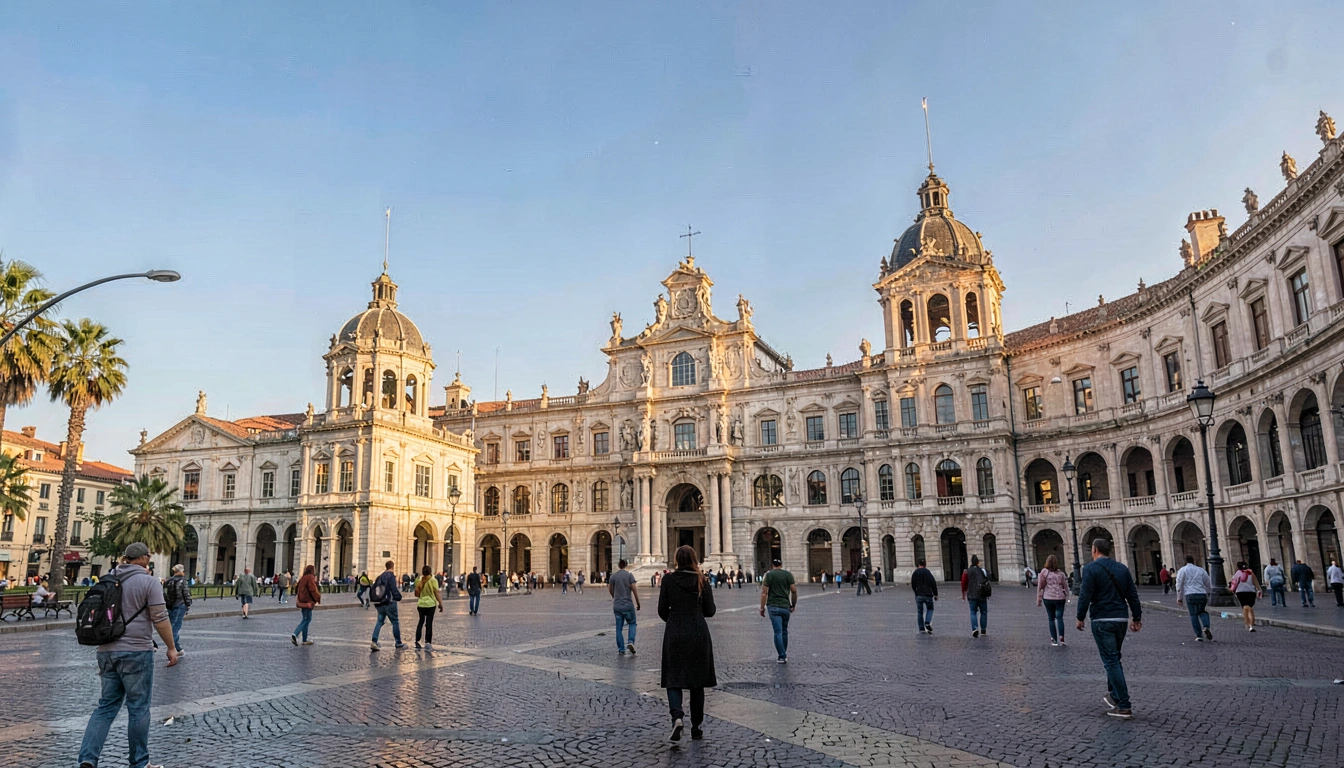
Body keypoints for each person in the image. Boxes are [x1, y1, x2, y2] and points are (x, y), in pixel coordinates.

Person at [77, 543, 179, 768]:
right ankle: (140, 763)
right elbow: (160, 618)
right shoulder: (149, 582)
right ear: (143, 559)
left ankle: (87, 758)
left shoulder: (107, 579)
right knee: (138, 708)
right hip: (136, 651)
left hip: (106, 651)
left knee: (105, 707)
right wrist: (171, 647)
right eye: (148, 556)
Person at [1075, 538, 1142, 720]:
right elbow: (1132, 595)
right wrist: (1136, 617)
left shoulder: (1090, 569)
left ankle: (1124, 705)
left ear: (1094, 549)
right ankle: (1114, 696)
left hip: (1102, 619)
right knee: (1115, 658)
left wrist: (1080, 617)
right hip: (1120, 618)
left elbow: (1085, 595)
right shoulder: (1122, 568)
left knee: (1111, 660)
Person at [659, 545, 717, 742]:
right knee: (697, 681)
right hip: (698, 631)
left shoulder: (667, 579)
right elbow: (710, 610)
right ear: (694, 559)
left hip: (675, 630)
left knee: (673, 677)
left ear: (676, 560)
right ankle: (696, 727)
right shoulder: (702, 579)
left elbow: (661, 610)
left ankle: (677, 717)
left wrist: (674, 619)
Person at [760, 558, 796, 663]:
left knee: (778, 632)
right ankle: (783, 653)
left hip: (773, 606)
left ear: (772, 565)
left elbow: (764, 593)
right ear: (781, 564)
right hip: (785, 606)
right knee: (784, 631)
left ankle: (781, 656)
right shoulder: (788, 575)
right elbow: (793, 590)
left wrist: (762, 607)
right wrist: (793, 604)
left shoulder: (769, 575)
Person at [1174, 554, 1213, 642]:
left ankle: (1199, 635)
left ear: (1185, 561)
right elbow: (1207, 582)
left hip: (1190, 594)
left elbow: (1179, 584)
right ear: (1193, 560)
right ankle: (1206, 626)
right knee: (1202, 611)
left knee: (1193, 615)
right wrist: (1208, 592)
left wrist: (1179, 598)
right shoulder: (1200, 570)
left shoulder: (1182, 570)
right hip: (1201, 593)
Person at [370, 560, 406, 651]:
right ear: (393, 567)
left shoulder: (380, 576)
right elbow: (393, 589)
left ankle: (374, 641)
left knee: (379, 621)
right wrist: (398, 596)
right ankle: (398, 642)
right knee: (395, 621)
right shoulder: (391, 576)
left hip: (380, 602)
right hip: (389, 602)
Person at [609, 558, 640, 654]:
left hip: (617, 605)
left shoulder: (613, 576)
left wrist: (615, 597)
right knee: (632, 623)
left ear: (619, 565)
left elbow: (610, 589)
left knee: (619, 627)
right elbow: (634, 589)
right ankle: (630, 641)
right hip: (628, 604)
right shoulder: (629, 575)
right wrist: (638, 603)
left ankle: (621, 649)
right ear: (626, 565)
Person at [1036, 555, 1069, 646]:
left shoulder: (1044, 572)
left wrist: (1038, 599)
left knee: (1051, 619)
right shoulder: (1061, 574)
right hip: (1060, 598)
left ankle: (1054, 639)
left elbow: (1040, 586)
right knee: (1059, 618)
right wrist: (1067, 596)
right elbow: (1065, 586)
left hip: (1048, 597)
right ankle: (1062, 637)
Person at [163, 564, 193, 656]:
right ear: (179, 571)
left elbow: (164, 593)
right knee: (175, 628)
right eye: (183, 571)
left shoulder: (168, 581)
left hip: (170, 606)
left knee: (172, 626)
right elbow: (186, 594)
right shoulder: (182, 581)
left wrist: (167, 603)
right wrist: (188, 604)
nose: (184, 573)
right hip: (180, 605)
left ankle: (176, 648)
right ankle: (174, 648)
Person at [960, 555, 992, 638]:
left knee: (973, 612)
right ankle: (983, 630)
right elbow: (988, 578)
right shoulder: (982, 570)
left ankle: (975, 628)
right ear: (978, 562)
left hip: (971, 594)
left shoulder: (967, 571)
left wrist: (964, 593)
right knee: (983, 612)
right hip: (982, 594)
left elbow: (963, 582)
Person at [414, 565, 443, 648]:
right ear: (430, 572)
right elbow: (436, 593)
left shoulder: (418, 580)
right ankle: (428, 641)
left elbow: (416, 593)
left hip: (421, 604)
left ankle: (417, 639)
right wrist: (441, 604)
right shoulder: (433, 580)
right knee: (429, 623)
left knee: (420, 622)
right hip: (430, 604)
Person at [291, 564, 320, 645]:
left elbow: (297, 589)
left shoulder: (303, 578)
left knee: (306, 619)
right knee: (306, 620)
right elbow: (312, 589)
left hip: (302, 602)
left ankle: (304, 639)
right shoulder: (310, 577)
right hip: (308, 601)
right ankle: (295, 634)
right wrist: (318, 598)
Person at [1229, 561, 1262, 632]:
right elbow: (1255, 582)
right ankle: (1251, 623)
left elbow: (1234, 584)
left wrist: (1232, 590)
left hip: (1240, 592)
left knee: (1244, 607)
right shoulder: (1250, 573)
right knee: (1249, 607)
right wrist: (1259, 589)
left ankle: (1247, 623)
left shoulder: (1237, 573)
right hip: (1251, 592)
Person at [910, 559, 937, 634]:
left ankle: (921, 628)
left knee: (920, 612)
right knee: (930, 609)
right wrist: (935, 594)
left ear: (918, 564)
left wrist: (916, 592)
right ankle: (927, 622)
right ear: (925, 564)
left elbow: (913, 584)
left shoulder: (915, 572)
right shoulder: (928, 572)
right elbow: (933, 583)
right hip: (928, 594)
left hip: (919, 594)